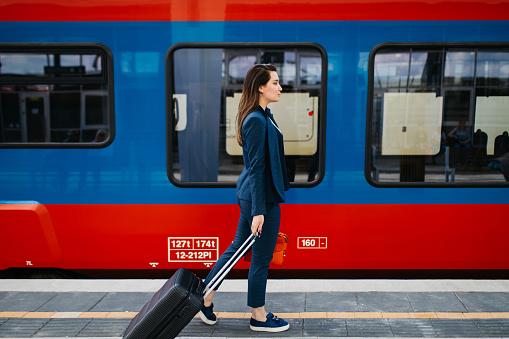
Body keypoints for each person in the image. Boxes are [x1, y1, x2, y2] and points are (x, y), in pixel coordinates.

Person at [198, 64, 291, 332]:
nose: (280, 87)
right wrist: (259, 211)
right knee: (260, 259)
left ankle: (206, 296)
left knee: (237, 249)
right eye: (275, 82)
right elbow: (257, 168)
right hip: (260, 201)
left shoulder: (263, 115)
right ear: (261, 87)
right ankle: (258, 316)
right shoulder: (255, 120)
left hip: (258, 198)